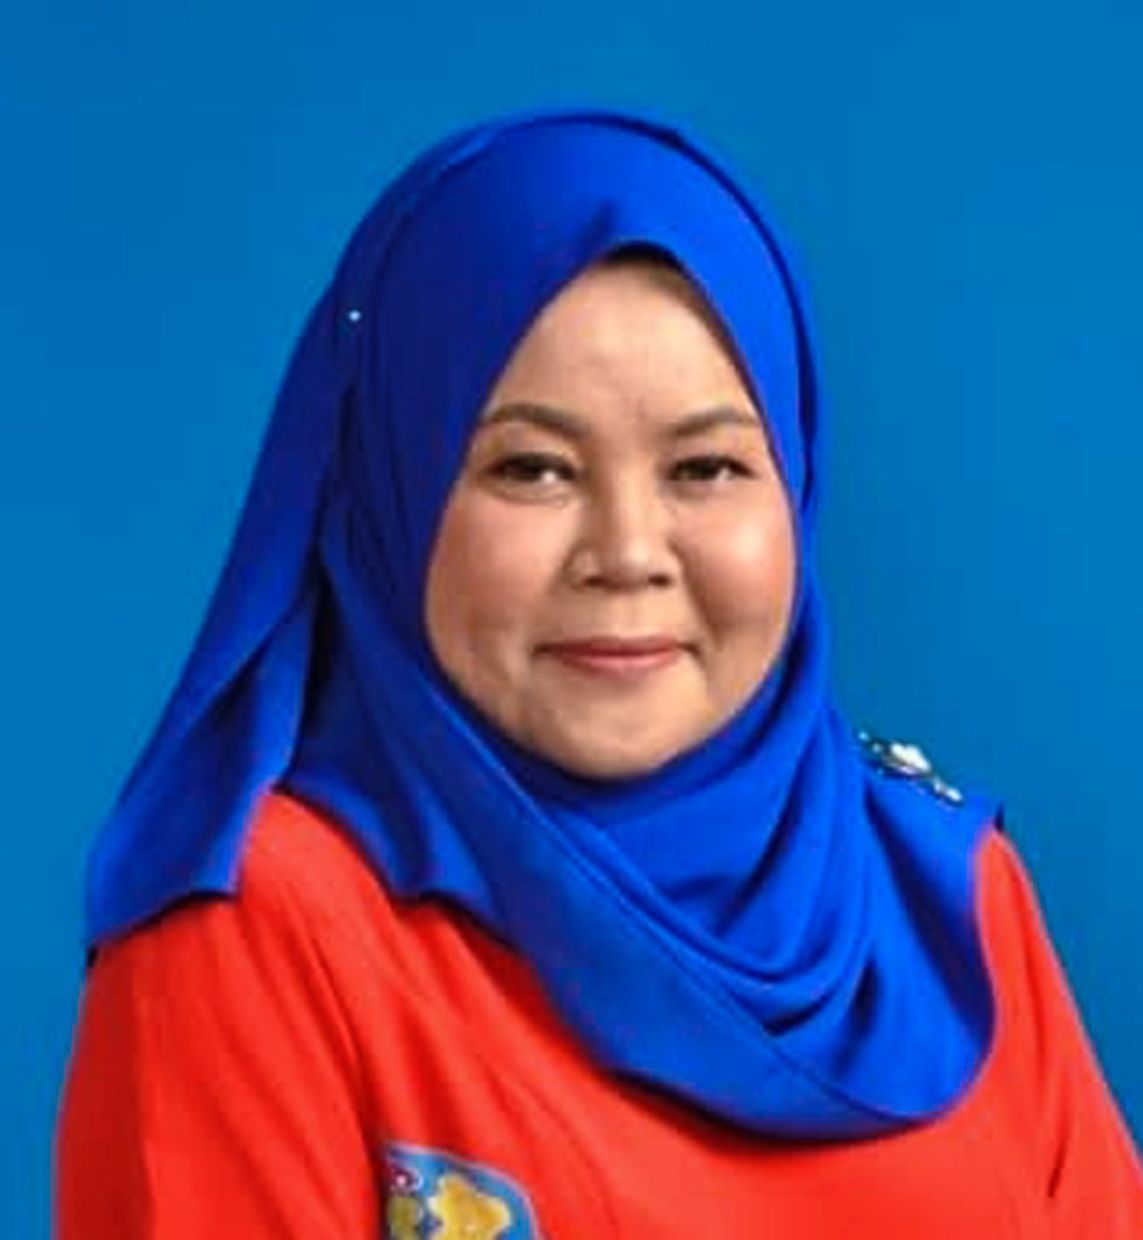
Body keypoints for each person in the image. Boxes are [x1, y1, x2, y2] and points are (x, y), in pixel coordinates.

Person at [54, 109, 1142, 1237]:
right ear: (389, 493)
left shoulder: (945, 892)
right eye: (533, 468)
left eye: (706, 467)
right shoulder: (254, 932)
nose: (626, 552)